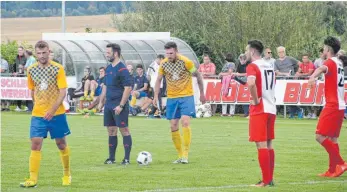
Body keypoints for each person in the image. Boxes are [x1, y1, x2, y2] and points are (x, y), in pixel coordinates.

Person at [20, 41, 71, 188]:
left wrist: (52, 110)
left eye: (44, 53)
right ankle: (32, 179)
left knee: (61, 144)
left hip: (57, 114)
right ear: (35, 53)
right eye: (39, 53)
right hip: (38, 115)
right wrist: (38, 105)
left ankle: (67, 174)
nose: (42, 56)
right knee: (35, 144)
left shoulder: (57, 68)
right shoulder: (31, 69)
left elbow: (63, 91)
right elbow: (32, 90)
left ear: (49, 51)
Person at [153, 42, 206, 164]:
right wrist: (155, 96)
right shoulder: (164, 64)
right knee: (173, 125)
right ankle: (180, 155)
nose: (169, 56)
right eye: (167, 53)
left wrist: (202, 93)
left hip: (186, 96)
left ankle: (186, 154)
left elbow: (198, 75)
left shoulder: (186, 62)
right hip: (172, 98)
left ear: (176, 51)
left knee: (185, 122)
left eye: (171, 53)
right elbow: (158, 80)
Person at [308, 36, 347, 178]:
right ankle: (332, 170)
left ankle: (341, 162)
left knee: (319, 136)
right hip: (340, 105)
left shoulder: (330, 62)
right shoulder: (339, 62)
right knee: (332, 139)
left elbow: (322, 68)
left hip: (332, 105)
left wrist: (312, 77)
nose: (323, 49)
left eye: (324, 47)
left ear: (328, 49)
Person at [245, 40, 276, 187]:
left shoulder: (252, 66)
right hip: (271, 107)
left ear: (252, 52)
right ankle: (269, 179)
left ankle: (265, 180)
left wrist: (256, 100)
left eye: (246, 50)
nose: (245, 53)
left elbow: (251, 83)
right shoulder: (268, 64)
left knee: (261, 144)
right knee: (269, 143)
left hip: (260, 108)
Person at [97, 43, 133, 165]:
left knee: (124, 130)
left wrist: (121, 105)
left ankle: (126, 159)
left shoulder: (122, 69)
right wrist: (101, 102)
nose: (106, 54)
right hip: (109, 105)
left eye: (108, 52)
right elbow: (105, 86)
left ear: (115, 53)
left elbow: (128, 88)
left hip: (119, 105)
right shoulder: (108, 68)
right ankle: (111, 158)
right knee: (111, 131)